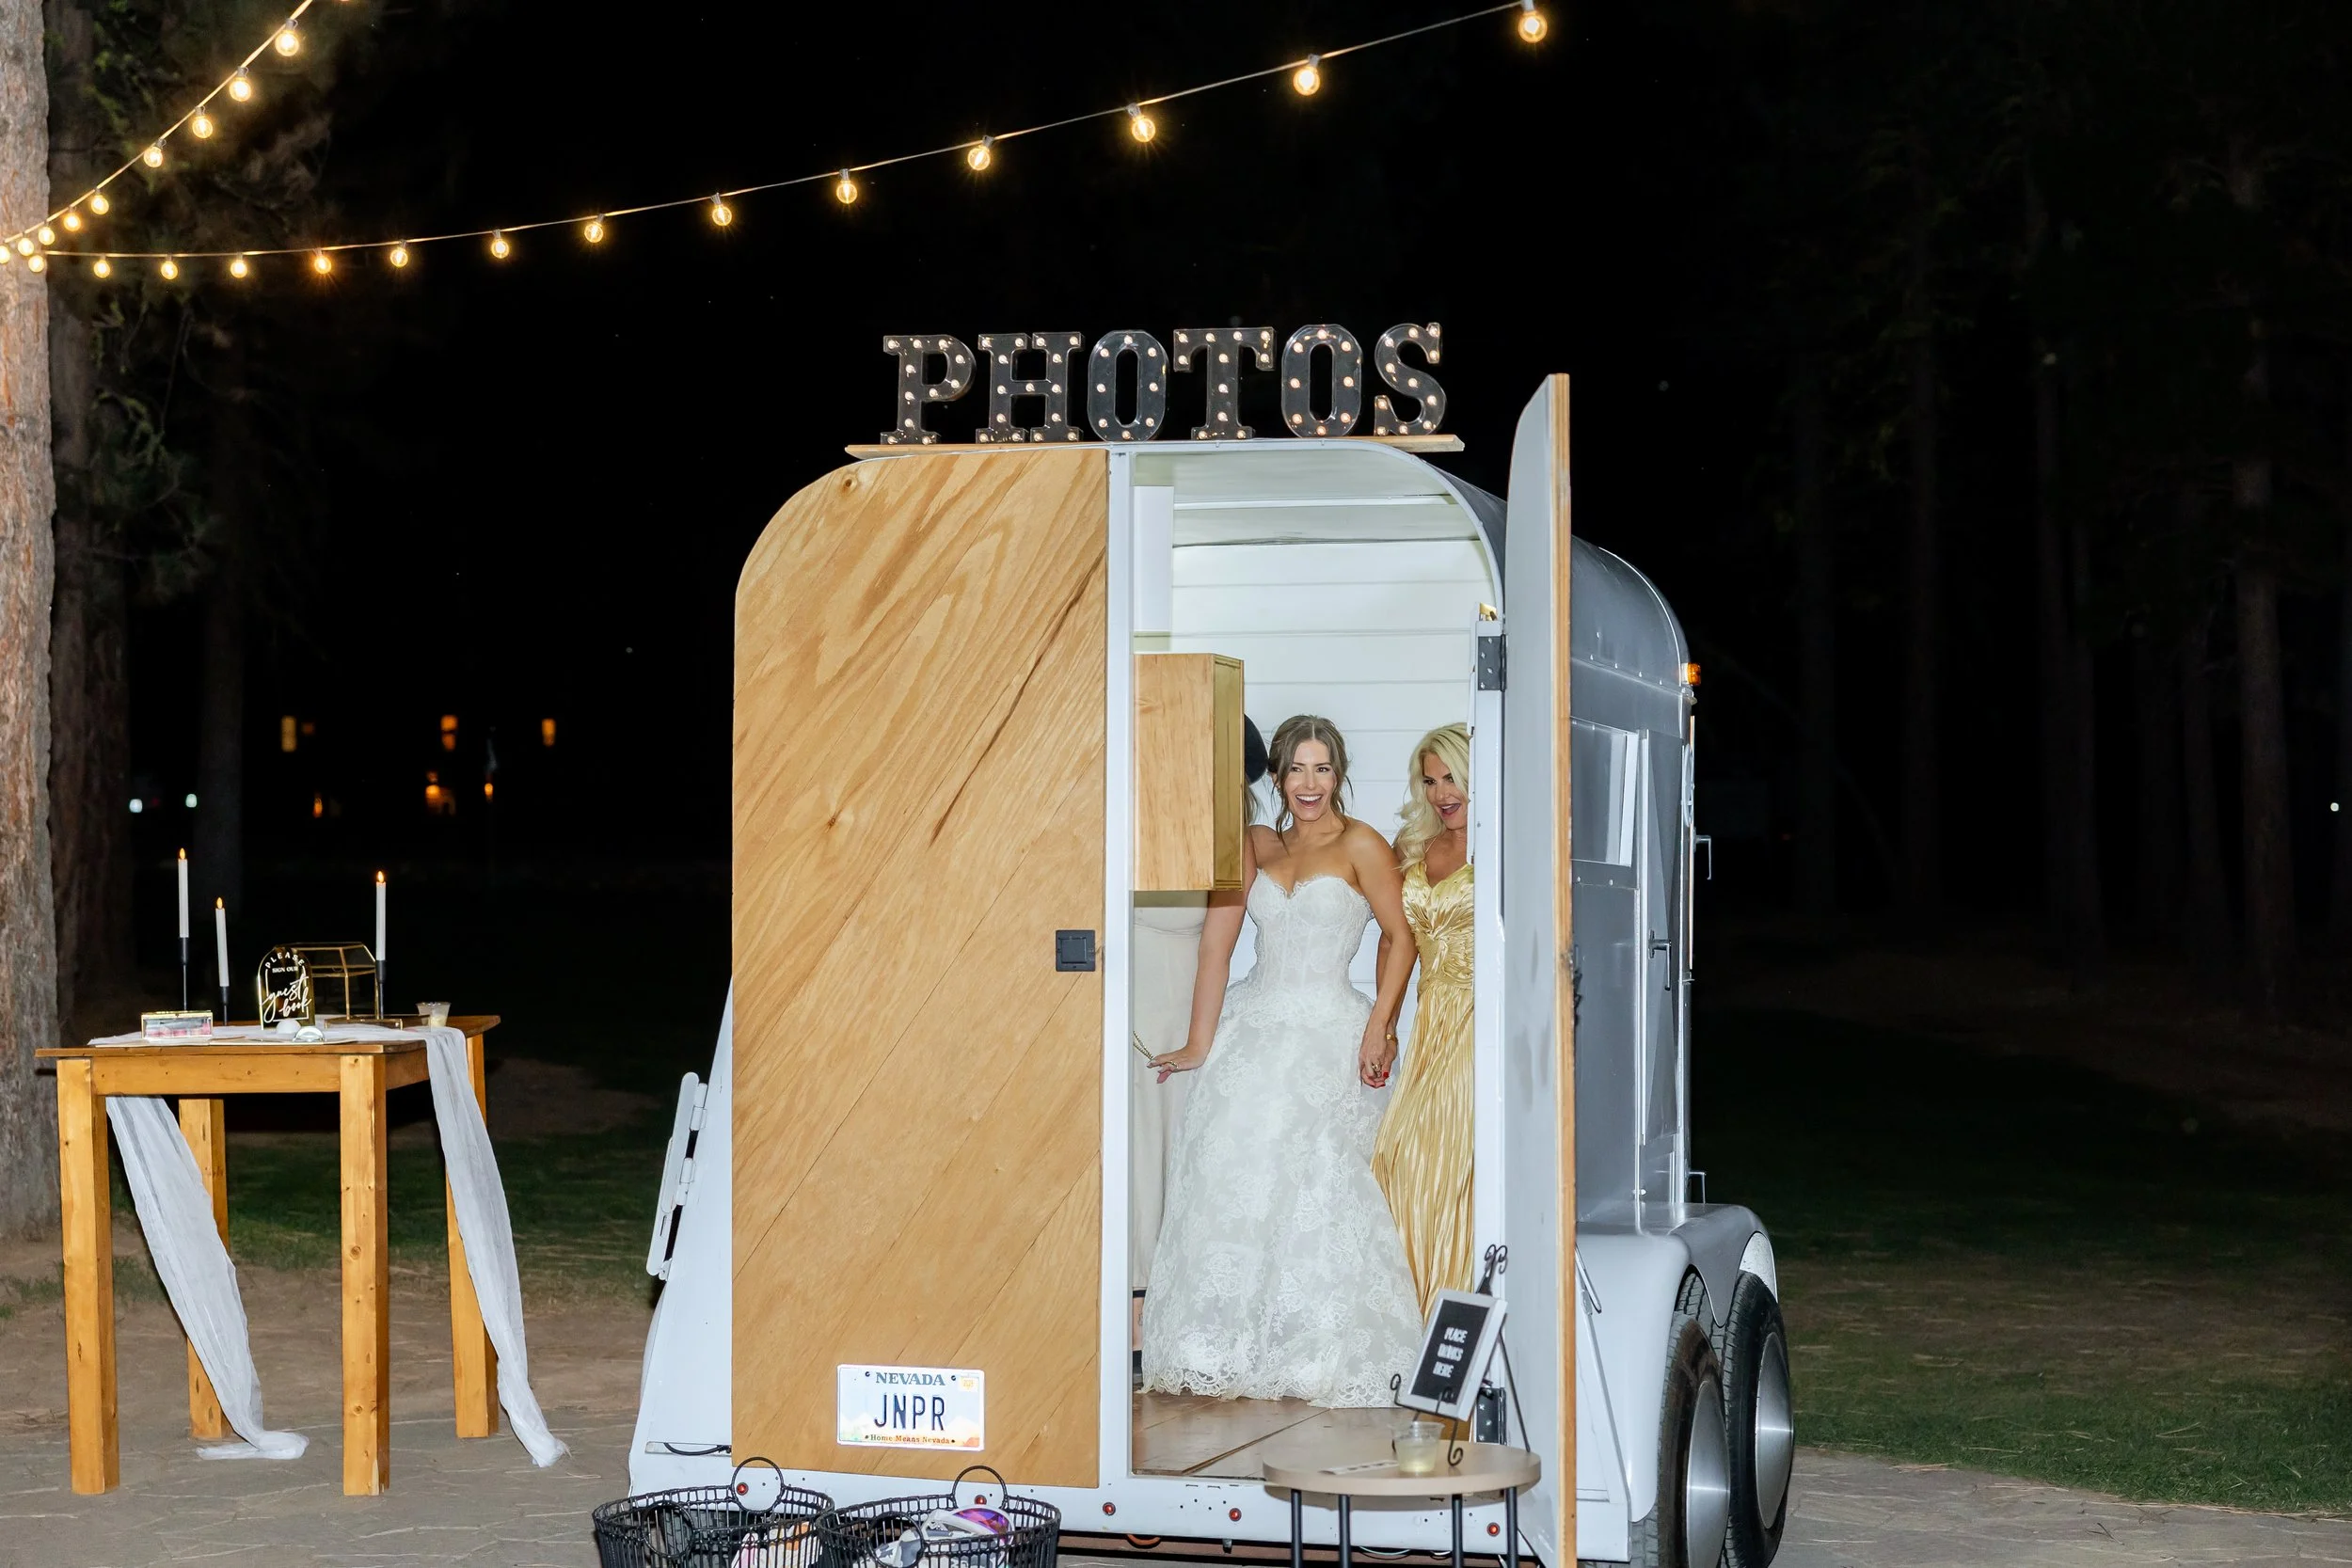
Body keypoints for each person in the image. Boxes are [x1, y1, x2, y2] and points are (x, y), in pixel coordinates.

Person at [1140, 716, 1423, 1407]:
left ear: (1339, 774)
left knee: (1319, 1180)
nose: (1308, 783)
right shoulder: (1258, 846)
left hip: (1331, 1030)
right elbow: (1217, 946)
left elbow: (1401, 937)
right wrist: (1202, 1041)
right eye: (1296, 769)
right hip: (1254, 1024)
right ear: (1276, 777)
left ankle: (1316, 1349)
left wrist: (1380, 1027)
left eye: (1322, 768)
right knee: (1230, 1174)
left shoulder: (1361, 844)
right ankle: (1221, 1347)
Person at [1130, 720, 1270, 1380]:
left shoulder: (1231, 847)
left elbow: (1217, 948)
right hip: (1106, 1013)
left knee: (1158, 1171)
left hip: (1169, 1024)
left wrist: (1196, 1042)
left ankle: (1144, 1333)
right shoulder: (1135, 816)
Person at [1370, 723, 1475, 1315]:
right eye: (1431, 780)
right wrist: (1384, 1028)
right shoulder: (1416, 846)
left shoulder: (1503, 845)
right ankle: (1407, 1317)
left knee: (1446, 1165)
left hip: (1479, 1020)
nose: (1441, 792)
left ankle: (1449, 1314)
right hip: (1430, 1020)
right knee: (1399, 1159)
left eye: (1451, 777)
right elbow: (1396, 943)